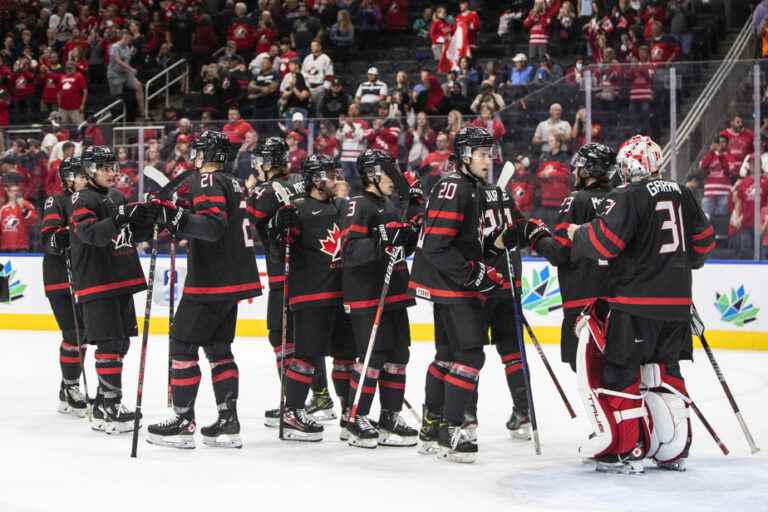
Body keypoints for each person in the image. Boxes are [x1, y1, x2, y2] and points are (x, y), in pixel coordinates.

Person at [565, 135, 715, 473]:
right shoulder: (682, 192)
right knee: (666, 371)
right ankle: (674, 450)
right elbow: (704, 244)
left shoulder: (627, 194)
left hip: (634, 304)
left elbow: (606, 243)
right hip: (677, 304)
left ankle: (625, 448)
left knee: (622, 371)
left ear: (629, 166)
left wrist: (578, 234)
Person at [146, 131, 261, 449]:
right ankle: (228, 422)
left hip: (211, 280)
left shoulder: (208, 180)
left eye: (199, 152)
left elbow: (211, 227)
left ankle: (183, 422)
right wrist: (179, 213)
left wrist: (175, 218)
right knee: (218, 349)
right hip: (234, 278)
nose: (194, 157)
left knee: (182, 345)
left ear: (210, 155)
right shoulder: (233, 181)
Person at [409, 126, 506, 463]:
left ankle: (432, 427)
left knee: (447, 355)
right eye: (481, 154)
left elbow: (455, 239)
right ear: (464, 156)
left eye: (489, 153)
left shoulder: (467, 186)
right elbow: (436, 245)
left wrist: (490, 246)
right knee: (470, 355)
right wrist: (474, 273)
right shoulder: (456, 186)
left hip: (446, 284)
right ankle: (452, 428)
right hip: (452, 284)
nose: (488, 160)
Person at [269, 154, 356, 441]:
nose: (336, 179)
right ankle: (292, 411)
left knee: (346, 356)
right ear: (315, 178)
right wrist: (281, 229)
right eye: (330, 175)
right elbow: (279, 252)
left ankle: (348, 413)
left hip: (342, 295)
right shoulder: (296, 209)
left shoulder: (342, 206)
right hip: (310, 295)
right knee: (306, 356)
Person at [69, 146, 155, 434]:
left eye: (112, 167)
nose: (111, 172)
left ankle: (104, 401)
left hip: (120, 278)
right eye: (104, 168)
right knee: (108, 345)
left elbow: (128, 234)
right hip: (97, 281)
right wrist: (121, 217)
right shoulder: (81, 197)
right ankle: (110, 406)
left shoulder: (117, 197)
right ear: (90, 171)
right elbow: (91, 234)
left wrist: (146, 218)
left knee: (121, 344)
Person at [247, 137, 332, 425]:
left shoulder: (263, 191)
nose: (257, 164)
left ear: (269, 161)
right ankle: (320, 396)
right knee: (307, 339)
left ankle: (293, 403)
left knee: (281, 337)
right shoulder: (301, 179)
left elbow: (257, 223)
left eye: (260, 159)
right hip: (314, 271)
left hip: (283, 273)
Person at [341, 149, 421, 448]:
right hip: (366, 294)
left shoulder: (390, 204)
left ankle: (390, 416)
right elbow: (350, 252)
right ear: (373, 173)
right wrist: (383, 239)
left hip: (395, 292)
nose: (395, 179)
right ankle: (355, 416)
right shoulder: (357, 205)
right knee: (372, 356)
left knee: (399, 355)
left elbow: (403, 248)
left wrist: (412, 227)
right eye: (390, 173)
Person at [526, 143, 614, 371]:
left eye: (579, 168)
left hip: (582, 306)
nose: (574, 172)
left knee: (590, 378)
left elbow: (559, 252)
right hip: (617, 305)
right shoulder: (620, 198)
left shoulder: (577, 200)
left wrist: (535, 236)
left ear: (588, 170)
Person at [41, 157, 88, 416]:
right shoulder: (55, 201)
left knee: (84, 335)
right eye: (79, 174)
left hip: (83, 279)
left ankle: (65, 388)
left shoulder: (88, 200)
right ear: (67, 178)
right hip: (60, 279)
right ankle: (71, 388)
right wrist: (69, 235)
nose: (83, 178)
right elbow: (49, 239)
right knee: (74, 333)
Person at [0, 182, 37, 252]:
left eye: (17, 191)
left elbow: (33, 220)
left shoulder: (27, 205)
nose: (15, 193)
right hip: (5, 247)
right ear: (8, 192)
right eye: (13, 191)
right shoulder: (3, 209)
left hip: (22, 247)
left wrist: (23, 209)